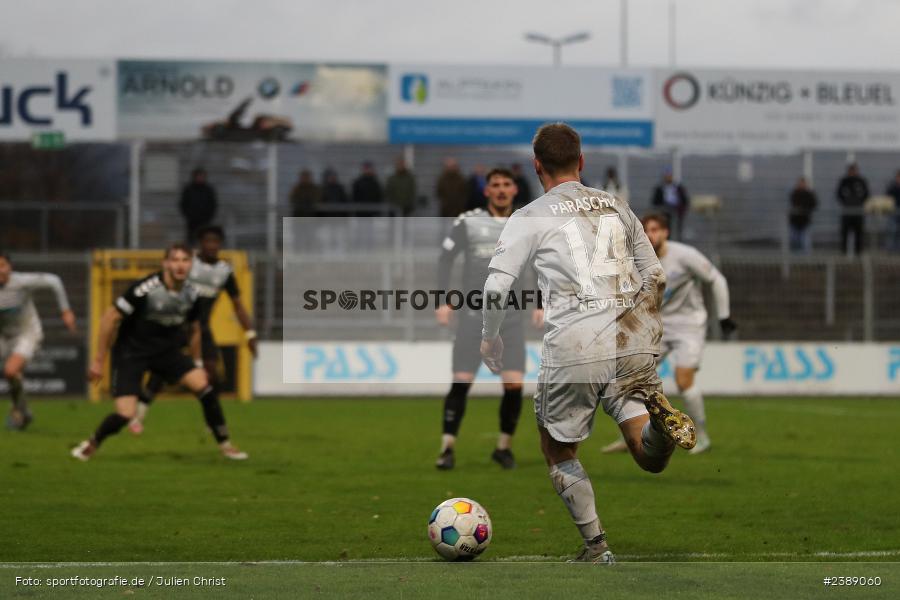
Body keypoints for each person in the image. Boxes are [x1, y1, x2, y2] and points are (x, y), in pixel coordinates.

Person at [480, 123, 696, 564]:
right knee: (648, 456)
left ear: (535, 165)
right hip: (632, 339)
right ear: (581, 162)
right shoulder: (618, 206)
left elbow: (496, 288)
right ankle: (660, 425)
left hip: (576, 344)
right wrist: (645, 330)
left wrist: (490, 336)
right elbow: (656, 275)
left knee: (557, 447)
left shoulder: (530, 215)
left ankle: (596, 547)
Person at [71, 244, 248, 461]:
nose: (180, 265)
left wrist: (198, 362)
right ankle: (93, 442)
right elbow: (109, 317)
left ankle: (226, 445)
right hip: (132, 352)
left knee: (205, 388)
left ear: (191, 265)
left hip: (166, 352)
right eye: (175, 260)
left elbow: (194, 329)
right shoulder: (145, 289)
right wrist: (98, 360)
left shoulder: (192, 294)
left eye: (185, 260)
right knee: (125, 414)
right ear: (165, 263)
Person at [434, 168, 542, 471]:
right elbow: (445, 260)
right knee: (461, 382)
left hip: (511, 317)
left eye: (506, 184)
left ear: (514, 190)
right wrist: (443, 300)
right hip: (471, 316)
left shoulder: (525, 225)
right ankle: (447, 448)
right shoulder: (468, 222)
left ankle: (503, 448)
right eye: (495, 185)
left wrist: (541, 303)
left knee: (513, 385)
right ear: (486, 191)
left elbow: (539, 264)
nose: (501, 189)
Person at [602, 212, 734, 456]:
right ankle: (634, 435)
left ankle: (701, 436)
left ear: (665, 232)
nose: (650, 235)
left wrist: (724, 316)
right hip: (657, 325)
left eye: (655, 230)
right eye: (646, 230)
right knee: (630, 378)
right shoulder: (636, 260)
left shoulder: (685, 255)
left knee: (683, 379)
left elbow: (717, 280)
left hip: (689, 325)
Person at [128, 226, 258, 435]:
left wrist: (250, 333)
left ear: (220, 245)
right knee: (160, 372)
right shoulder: (189, 264)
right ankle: (139, 415)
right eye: (207, 241)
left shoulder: (224, 272)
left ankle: (212, 421)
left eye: (215, 242)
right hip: (177, 325)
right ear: (200, 244)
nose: (212, 246)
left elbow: (238, 304)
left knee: (212, 373)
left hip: (202, 327)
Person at [0, 253, 76, 430]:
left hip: (28, 333)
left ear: (9, 267)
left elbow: (54, 281)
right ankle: (23, 411)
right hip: (4, 336)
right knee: (13, 376)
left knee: (11, 371)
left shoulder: (21, 282)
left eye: (2, 265)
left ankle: (20, 411)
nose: (0, 270)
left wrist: (65, 311)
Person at [836, 163, 869, 255]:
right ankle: (844, 252)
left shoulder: (861, 181)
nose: (853, 172)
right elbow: (839, 194)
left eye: (854, 170)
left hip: (858, 212)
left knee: (859, 233)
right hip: (847, 212)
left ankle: (858, 253)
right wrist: (845, 202)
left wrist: (859, 202)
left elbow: (866, 194)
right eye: (851, 170)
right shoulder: (844, 181)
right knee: (845, 232)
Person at [179, 168, 218, 243]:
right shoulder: (188, 189)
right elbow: (183, 204)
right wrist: (189, 215)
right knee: (191, 239)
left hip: (205, 220)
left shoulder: (208, 190)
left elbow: (213, 204)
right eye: (198, 176)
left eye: (202, 176)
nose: (200, 178)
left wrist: (209, 215)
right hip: (192, 221)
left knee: (205, 237)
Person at [651, 168, 689, 240]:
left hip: (676, 212)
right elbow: (655, 202)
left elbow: (684, 200)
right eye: (667, 176)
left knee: (677, 228)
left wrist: (681, 209)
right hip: (664, 211)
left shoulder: (679, 188)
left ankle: (678, 241)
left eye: (670, 176)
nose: (668, 178)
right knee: (665, 227)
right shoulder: (659, 189)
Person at [789, 177, 818, 253]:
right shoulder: (795, 193)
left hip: (805, 221)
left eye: (803, 183)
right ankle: (795, 258)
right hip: (795, 220)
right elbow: (793, 203)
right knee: (794, 240)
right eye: (800, 183)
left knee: (805, 240)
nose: (801, 185)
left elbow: (814, 204)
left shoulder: (809, 194)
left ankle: (806, 259)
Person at [884, 170, 900, 250]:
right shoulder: (892, 187)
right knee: (892, 230)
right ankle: (890, 248)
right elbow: (888, 197)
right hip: (893, 210)